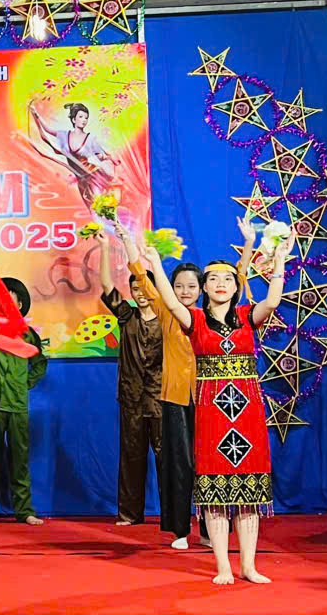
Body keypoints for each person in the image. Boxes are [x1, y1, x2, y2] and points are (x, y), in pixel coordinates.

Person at [146, 231, 291, 584]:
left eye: (228, 278)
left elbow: (273, 300)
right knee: (214, 490)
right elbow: (170, 301)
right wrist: (154, 265)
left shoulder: (247, 315)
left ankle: (249, 566)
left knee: (249, 491)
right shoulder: (194, 319)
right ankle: (224, 567)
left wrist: (280, 261)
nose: (221, 284)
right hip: (212, 413)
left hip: (248, 412)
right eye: (213, 279)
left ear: (236, 285)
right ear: (204, 287)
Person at [131, 220, 255, 549]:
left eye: (191, 286)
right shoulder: (169, 311)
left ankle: (210, 530)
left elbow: (239, 280)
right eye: (179, 286)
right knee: (179, 464)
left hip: (211, 400)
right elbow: (142, 278)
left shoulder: (209, 318)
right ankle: (181, 530)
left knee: (210, 463)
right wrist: (130, 244)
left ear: (202, 289)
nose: (185, 291)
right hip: (176, 398)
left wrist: (248, 245)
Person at [97, 227, 163, 527]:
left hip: (161, 399)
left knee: (166, 457)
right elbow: (107, 286)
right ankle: (129, 514)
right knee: (131, 456)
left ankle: (173, 515)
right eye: (135, 289)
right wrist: (103, 249)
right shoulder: (127, 316)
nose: (140, 293)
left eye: (144, 288)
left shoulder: (169, 319)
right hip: (131, 398)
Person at [0, 277, 47, 527]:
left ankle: (25, 511)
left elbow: (40, 363)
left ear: (20, 304)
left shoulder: (28, 335)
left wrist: (24, 383)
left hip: (16, 401)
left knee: (19, 457)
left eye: (11, 298)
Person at [24, 100, 117, 206]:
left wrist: (108, 157)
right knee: (91, 205)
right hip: (81, 178)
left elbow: (100, 156)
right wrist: (35, 114)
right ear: (73, 119)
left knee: (99, 203)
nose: (84, 120)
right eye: (81, 117)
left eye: (86, 117)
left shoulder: (90, 138)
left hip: (93, 175)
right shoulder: (64, 135)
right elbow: (47, 131)